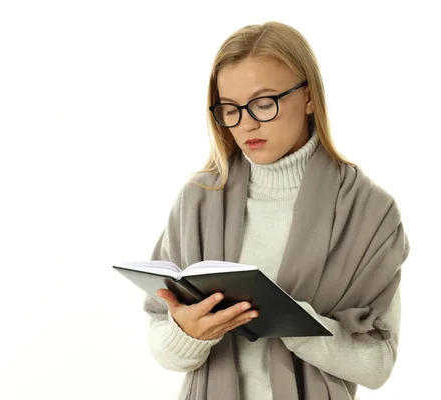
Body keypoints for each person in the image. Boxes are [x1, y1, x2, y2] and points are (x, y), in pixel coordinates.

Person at [142, 21, 409, 400]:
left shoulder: (369, 211)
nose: (247, 122)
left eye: (264, 103)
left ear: (309, 97)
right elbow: (160, 337)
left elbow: (379, 364)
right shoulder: (198, 199)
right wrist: (187, 335)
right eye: (230, 109)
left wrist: (290, 320)